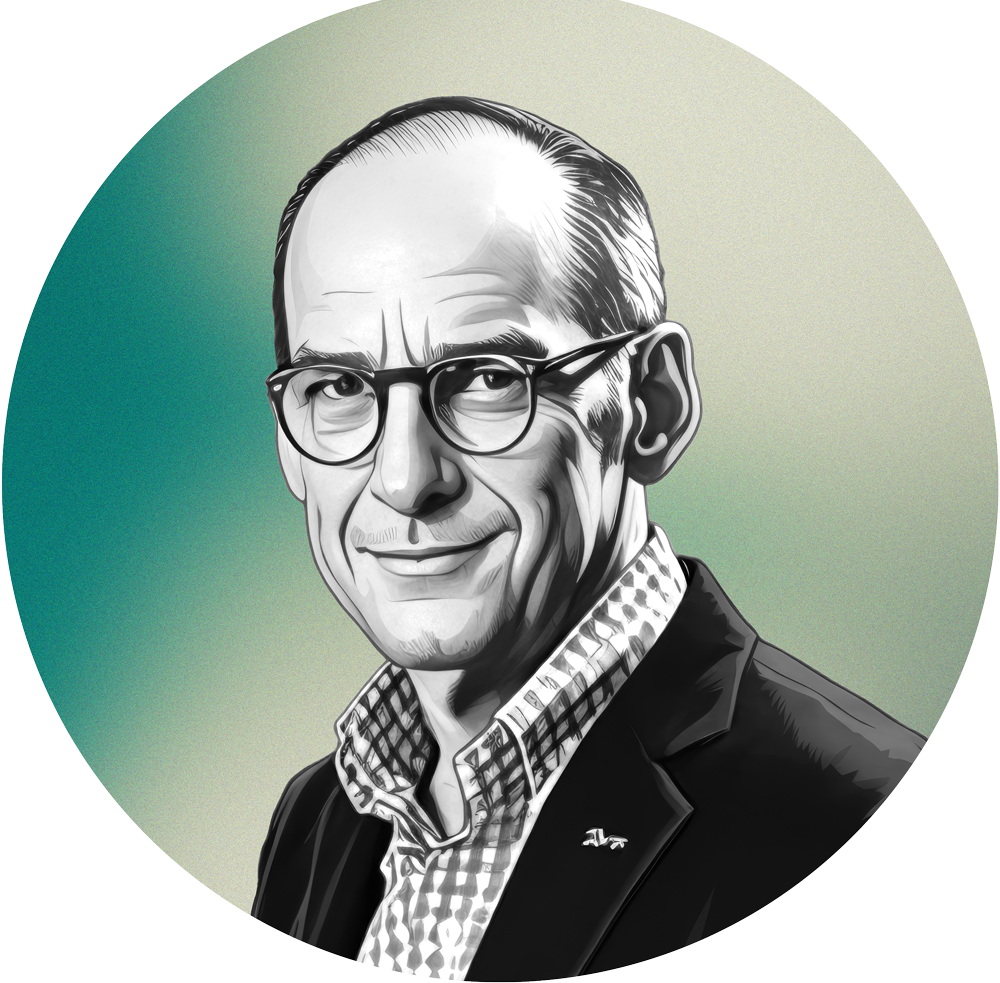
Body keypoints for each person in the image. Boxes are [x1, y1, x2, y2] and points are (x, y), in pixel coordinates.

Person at [251, 97, 924, 980]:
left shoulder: (864, 827)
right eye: (339, 388)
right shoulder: (317, 819)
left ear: (651, 405)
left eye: (486, 378)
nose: (405, 479)